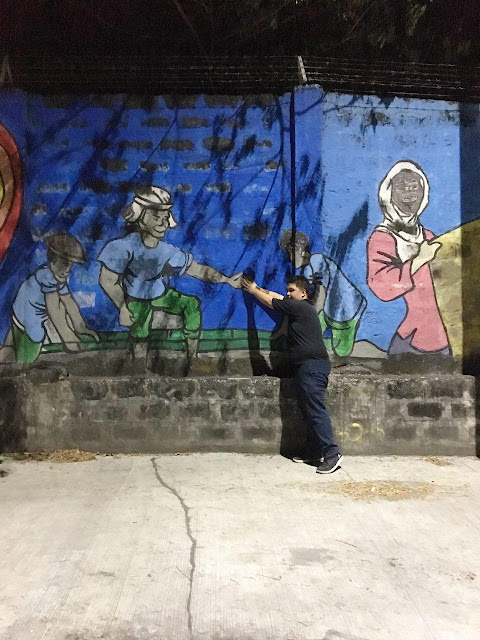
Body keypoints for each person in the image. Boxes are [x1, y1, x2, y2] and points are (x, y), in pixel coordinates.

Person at [98, 186, 242, 364]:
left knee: (191, 304)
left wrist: (227, 280)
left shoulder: (167, 251)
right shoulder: (122, 247)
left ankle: (193, 358)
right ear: (140, 217)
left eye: (165, 218)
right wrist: (122, 306)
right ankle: (138, 365)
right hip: (135, 297)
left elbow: (197, 270)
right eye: (156, 217)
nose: (162, 223)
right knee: (140, 321)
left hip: (161, 295)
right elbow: (107, 280)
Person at [241, 274, 343, 474]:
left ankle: (332, 454)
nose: (288, 294)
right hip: (306, 367)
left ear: (303, 293)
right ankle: (315, 451)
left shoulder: (301, 307)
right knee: (309, 410)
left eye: (291, 291)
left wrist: (253, 291)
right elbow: (276, 296)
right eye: (287, 290)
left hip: (312, 367)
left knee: (315, 409)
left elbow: (273, 302)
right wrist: (258, 287)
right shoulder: (299, 307)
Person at [367, 160, 450, 355]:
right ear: (389, 192)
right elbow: (381, 286)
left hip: (443, 340)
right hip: (412, 344)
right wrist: (419, 260)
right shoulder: (383, 237)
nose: (409, 193)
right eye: (402, 187)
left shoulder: (427, 236)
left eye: (414, 187)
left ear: (423, 193)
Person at [0, 232, 99, 363]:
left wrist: (81, 327)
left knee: (9, 348)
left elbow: (69, 302)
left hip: (18, 316)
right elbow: (55, 309)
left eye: (71, 265)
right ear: (52, 259)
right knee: (27, 359)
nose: (68, 270)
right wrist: (68, 338)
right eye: (65, 264)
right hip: (30, 320)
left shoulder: (55, 277)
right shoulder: (47, 277)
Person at [280, 229, 366, 357]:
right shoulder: (307, 270)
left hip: (345, 309)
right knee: (311, 335)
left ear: (299, 249)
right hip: (326, 309)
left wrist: (309, 315)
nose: (289, 258)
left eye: (290, 252)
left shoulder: (317, 261)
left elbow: (321, 293)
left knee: (342, 349)